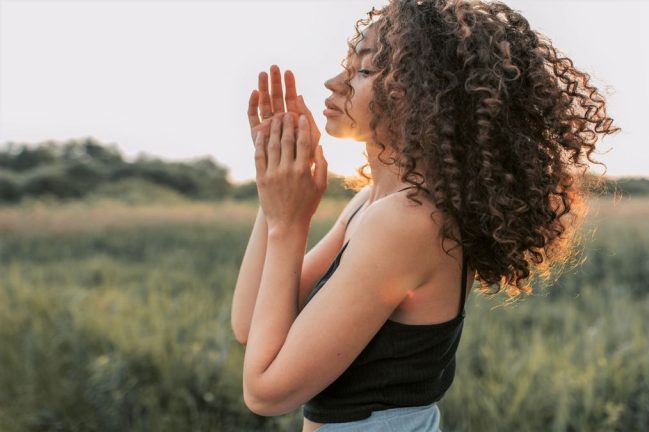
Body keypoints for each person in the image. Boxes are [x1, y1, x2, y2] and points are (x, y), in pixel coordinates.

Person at [231, 1, 621, 431]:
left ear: (423, 90)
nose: (334, 82)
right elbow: (252, 326)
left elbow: (266, 392)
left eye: (363, 71)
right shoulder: (372, 204)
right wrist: (276, 196)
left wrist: (289, 224)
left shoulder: (408, 220)